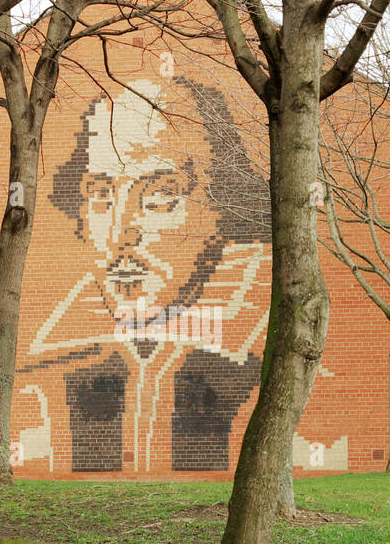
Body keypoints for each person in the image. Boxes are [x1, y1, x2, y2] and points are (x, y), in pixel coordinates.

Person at [14, 74, 273, 473]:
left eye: (158, 194)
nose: (121, 234)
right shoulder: (50, 365)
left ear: (219, 208)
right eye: (101, 194)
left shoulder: (265, 348)